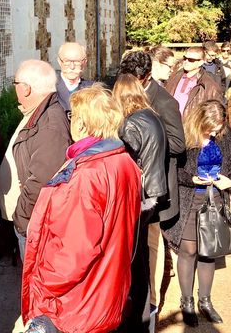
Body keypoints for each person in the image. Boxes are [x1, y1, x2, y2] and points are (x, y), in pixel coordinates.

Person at [21, 84, 141, 333]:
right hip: (107, 288)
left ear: (84, 124)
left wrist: (41, 284)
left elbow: (74, 251)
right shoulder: (124, 160)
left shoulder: (86, 174)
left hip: (78, 301)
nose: (70, 121)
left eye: (72, 116)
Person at [118, 51, 186, 323]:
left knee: (152, 247)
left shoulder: (165, 101)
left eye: (134, 80)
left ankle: (153, 306)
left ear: (145, 77)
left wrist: (150, 140)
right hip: (134, 187)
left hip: (156, 187)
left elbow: (179, 144)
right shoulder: (123, 90)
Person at [165, 100, 231, 327]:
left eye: (218, 128)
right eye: (211, 128)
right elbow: (173, 168)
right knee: (189, 250)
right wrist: (190, 179)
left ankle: (205, 301)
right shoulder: (185, 133)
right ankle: (187, 301)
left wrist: (229, 179)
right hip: (190, 197)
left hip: (215, 197)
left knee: (209, 250)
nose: (214, 132)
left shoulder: (225, 135)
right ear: (199, 120)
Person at [0, 60, 71, 260]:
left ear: (26, 88)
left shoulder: (49, 125)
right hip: (30, 220)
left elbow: (41, 180)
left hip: (32, 222)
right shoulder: (39, 112)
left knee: (36, 284)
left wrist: (21, 219)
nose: (15, 89)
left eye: (15, 83)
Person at [112, 73, 167, 332]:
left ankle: (139, 319)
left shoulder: (132, 123)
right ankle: (146, 316)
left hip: (142, 196)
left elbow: (128, 164)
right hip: (155, 192)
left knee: (135, 260)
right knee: (143, 254)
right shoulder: (152, 115)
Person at [164, 46, 222, 118]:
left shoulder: (209, 86)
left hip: (191, 126)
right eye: (185, 58)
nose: (186, 62)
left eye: (191, 60)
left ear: (201, 62)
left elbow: (214, 114)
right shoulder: (174, 76)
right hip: (169, 123)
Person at [55, 42, 93, 111]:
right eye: (67, 61)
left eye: (77, 61)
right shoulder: (49, 89)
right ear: (59, 62)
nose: (72, 67)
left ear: (84, 62)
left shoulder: (93, 89)